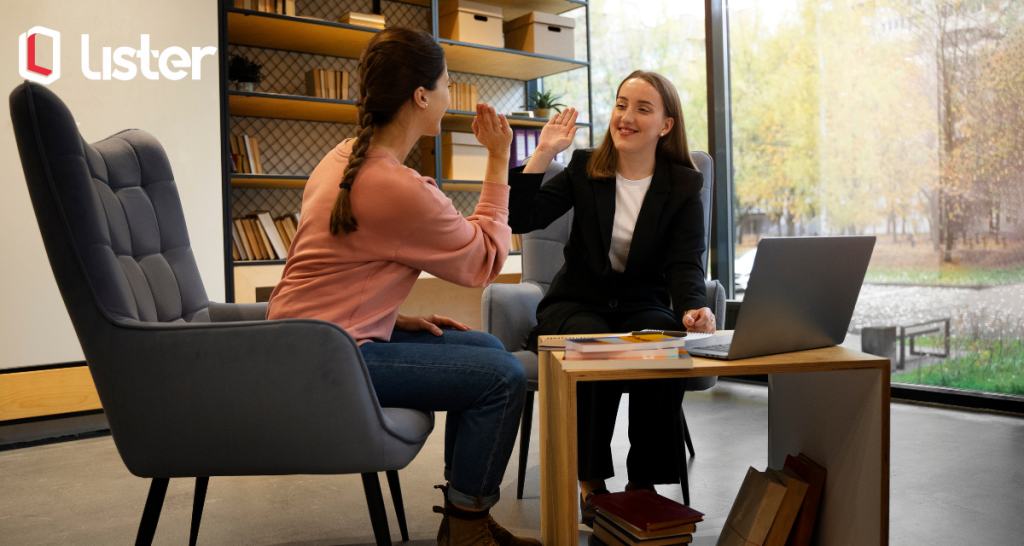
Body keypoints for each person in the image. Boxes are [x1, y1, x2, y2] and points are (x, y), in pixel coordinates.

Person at [267, 27, 538, 546]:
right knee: (501, 375)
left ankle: (466, 515)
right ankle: (466, 528)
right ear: (420, 96)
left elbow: (333, 274)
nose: (446, 98)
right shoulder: (394, 185)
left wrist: (391, 319)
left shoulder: (341, 158)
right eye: (444, 86)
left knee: (482, 346)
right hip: (332, 359)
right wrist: (499, 159)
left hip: (304, 343)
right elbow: (483, 261)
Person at [507, 70, 716, 525]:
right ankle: (591, 484)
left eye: (643, 108)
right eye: (622, 104)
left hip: (641, 302)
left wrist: (692, 308)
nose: (626, 116)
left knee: (665, 342)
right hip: (577, 302)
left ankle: (644, 484)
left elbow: (685, 262)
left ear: (666, 125)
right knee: (592, 344)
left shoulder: (683, 184)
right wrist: (544, 152)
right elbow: (520, 218)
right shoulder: (585, 168)